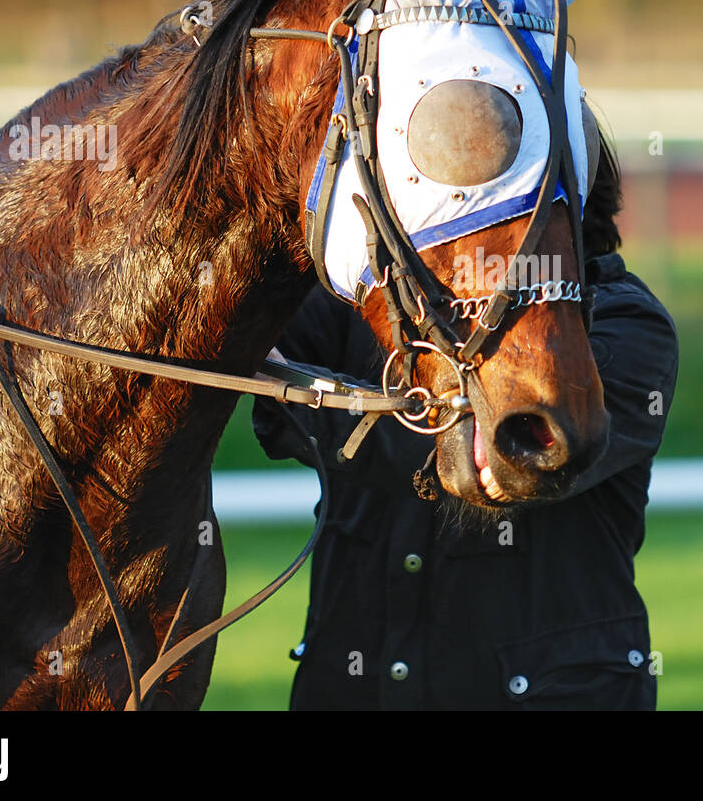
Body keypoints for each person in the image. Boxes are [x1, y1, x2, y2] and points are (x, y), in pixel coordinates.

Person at [251, 138, 678, 709]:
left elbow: (471, 457)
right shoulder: (364, 307)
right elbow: (259, 386)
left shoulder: (629, 327)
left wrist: (295, 389)